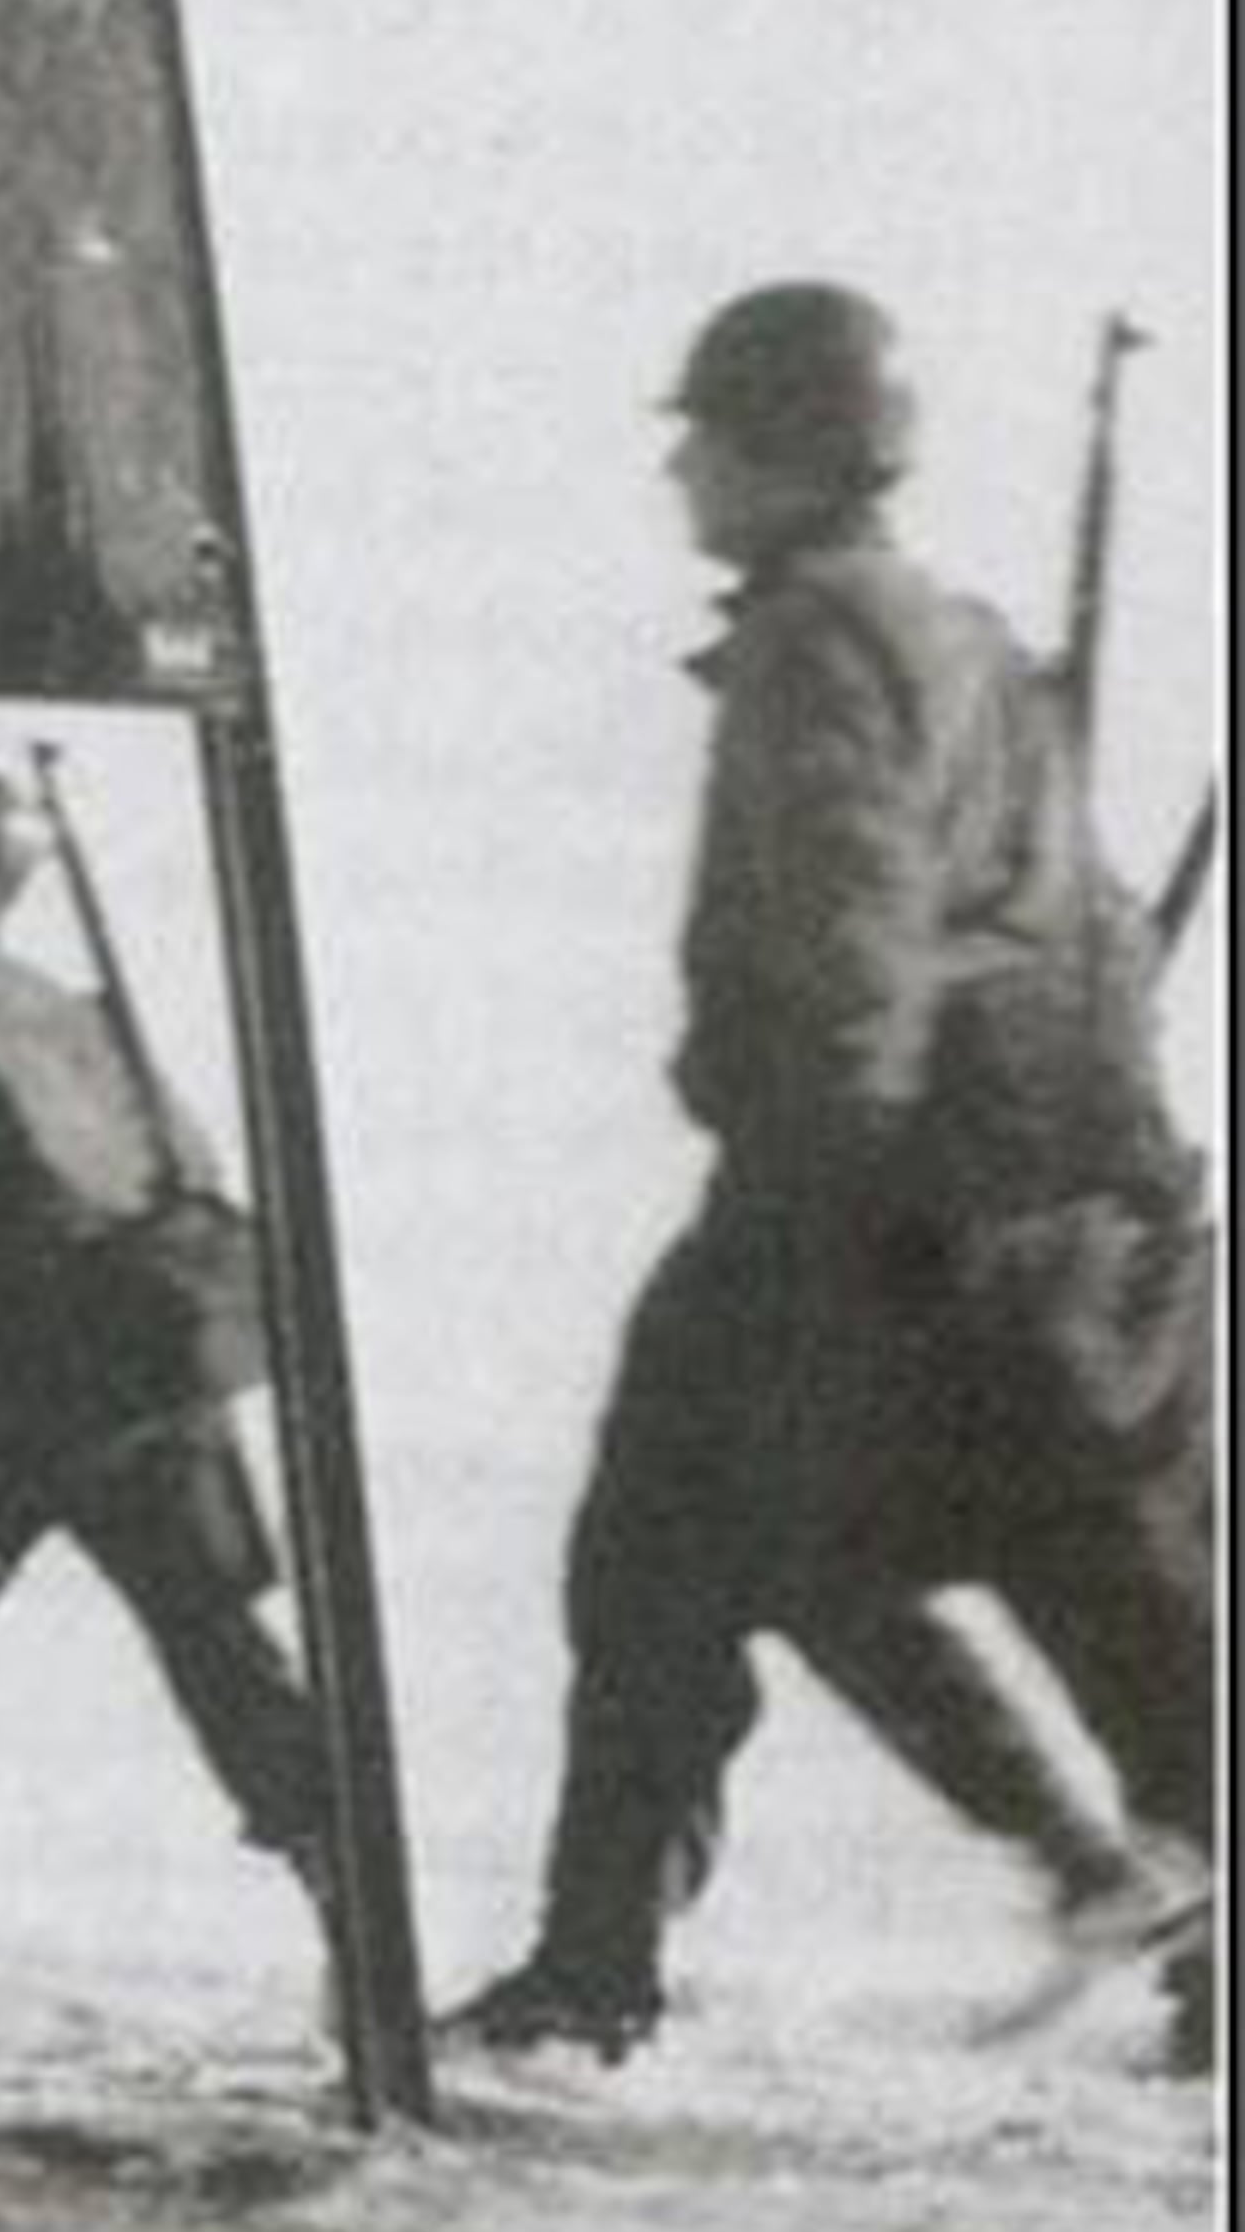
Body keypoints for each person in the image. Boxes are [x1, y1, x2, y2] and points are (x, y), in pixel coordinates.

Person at [454, 282, 1217, 2067]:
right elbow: (1080, 923)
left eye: (700, 437)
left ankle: (594, 1979)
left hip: (869, 1184)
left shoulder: (819, 641)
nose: (677, 470)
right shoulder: (965, 637)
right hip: (1079, 1199)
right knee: (1097, 1573)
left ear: (779, 452)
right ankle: (1127, 1895)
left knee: (669, 1545)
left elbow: (853, 939)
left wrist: (824, 1199)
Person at [0, 752, 327, 1947]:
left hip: (13, 1389)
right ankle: (346, 1886)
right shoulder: (74, 1011)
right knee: (222, 1648)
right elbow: (187, 1173)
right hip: (156, 1373)